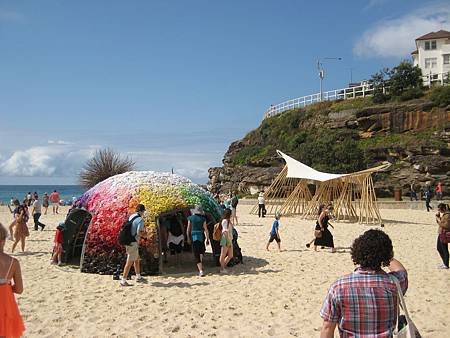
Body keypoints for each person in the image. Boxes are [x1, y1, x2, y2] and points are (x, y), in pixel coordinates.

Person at [320, 229, 408, 338]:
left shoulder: (339, 287)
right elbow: (401, 271)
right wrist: (386, 256)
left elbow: (327, 327)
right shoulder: (395, 283)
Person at [0, 223, 25, 338]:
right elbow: (19, 289)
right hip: (5, 302)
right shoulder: (13, 262)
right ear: (3, 240)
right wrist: (6, 287)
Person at [120, 204, 147, 286]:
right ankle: (123, 280)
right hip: (133, 241)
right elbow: (139, 232)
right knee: (130, 261)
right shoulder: (140, 220)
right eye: (143, 211)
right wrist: (145, 235)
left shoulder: (132, 216)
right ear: (142, 211)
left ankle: (138, 276)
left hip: (127, 240)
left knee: (136, 258)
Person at [187, 205, 210, 277]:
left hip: (194, 235)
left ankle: (200, 270)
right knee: (201, 251)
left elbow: (188, 229)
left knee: (196, 252)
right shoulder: (203, 219)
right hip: (201, 235)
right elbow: (206, 229)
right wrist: (208, 238)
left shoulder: (190, 218)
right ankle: (201, 265)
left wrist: (188, 237)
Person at [435, 203, 450, 269]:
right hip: (441, 233)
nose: (439, 211)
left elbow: (446, 225)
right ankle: (444, 263)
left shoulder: (448, 215)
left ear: (443, 209)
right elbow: (441, 223)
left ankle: (446, 264)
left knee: (444, 249)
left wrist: (439, 219)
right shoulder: (445, 215)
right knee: (439, 248)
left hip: (445, 233)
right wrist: (438, 218)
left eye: (439, 209)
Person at [219, 208, 234, 273]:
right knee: (223, 254)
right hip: (225, 238)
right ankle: (222, 268)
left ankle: (223, 266)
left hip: (229, 238)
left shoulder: (228, 221)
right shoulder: (225, 221)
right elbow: (224, 231)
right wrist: (228, 240)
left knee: (230, 255)